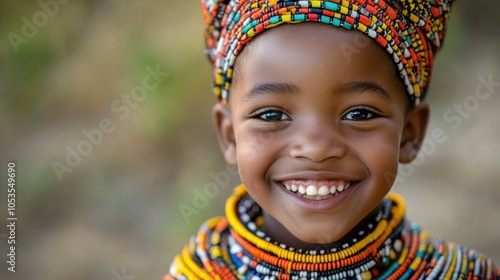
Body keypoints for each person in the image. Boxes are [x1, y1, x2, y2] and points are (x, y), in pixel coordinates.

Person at [166, 0, 500, 279]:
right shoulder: (197, 273)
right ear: (229, 136)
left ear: (410, 134)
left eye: (359, 114)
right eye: (272, 115)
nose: (316, 148)